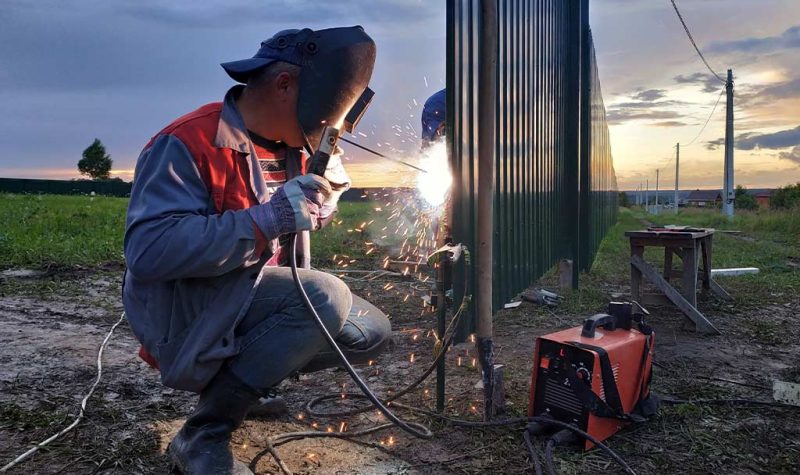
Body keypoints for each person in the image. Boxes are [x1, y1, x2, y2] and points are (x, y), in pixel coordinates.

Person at [123, 26, 391, 475]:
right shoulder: (189, 140)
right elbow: (149, 252)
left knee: (369, 332)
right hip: (186, 307)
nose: (323, 130)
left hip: (247, 294)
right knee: (326, 296)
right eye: (322, 116)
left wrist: (324, 204)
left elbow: (299, 217)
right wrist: (269, 219)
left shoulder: (297, 148)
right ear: (285, 84)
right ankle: (204, 432)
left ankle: (247, 383)